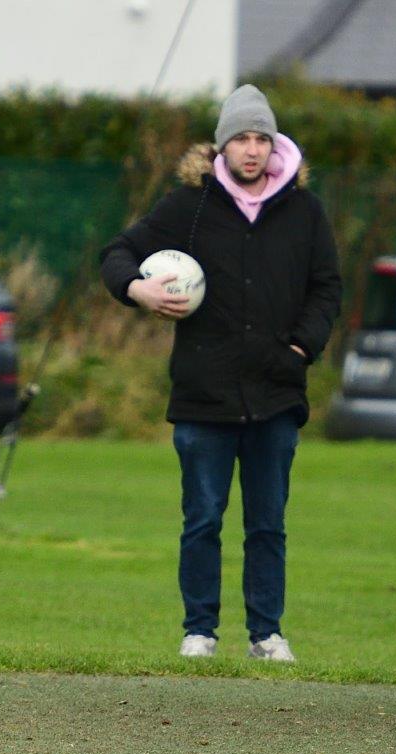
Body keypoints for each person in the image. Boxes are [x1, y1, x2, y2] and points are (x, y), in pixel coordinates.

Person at [99, 84, 342, 662]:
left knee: (267, 525)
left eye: (261, 138)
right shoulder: (189, 205)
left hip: (276, 395)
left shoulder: (304, 210)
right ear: (221, 146)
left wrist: (300, 351)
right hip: (202, 395)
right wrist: (139, 290)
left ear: (275, 144)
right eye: (240, 139)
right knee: (202, 519)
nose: (251, 150)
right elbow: (117, 252)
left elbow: (326, 287)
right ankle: (199, 632)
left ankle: (266, 634)